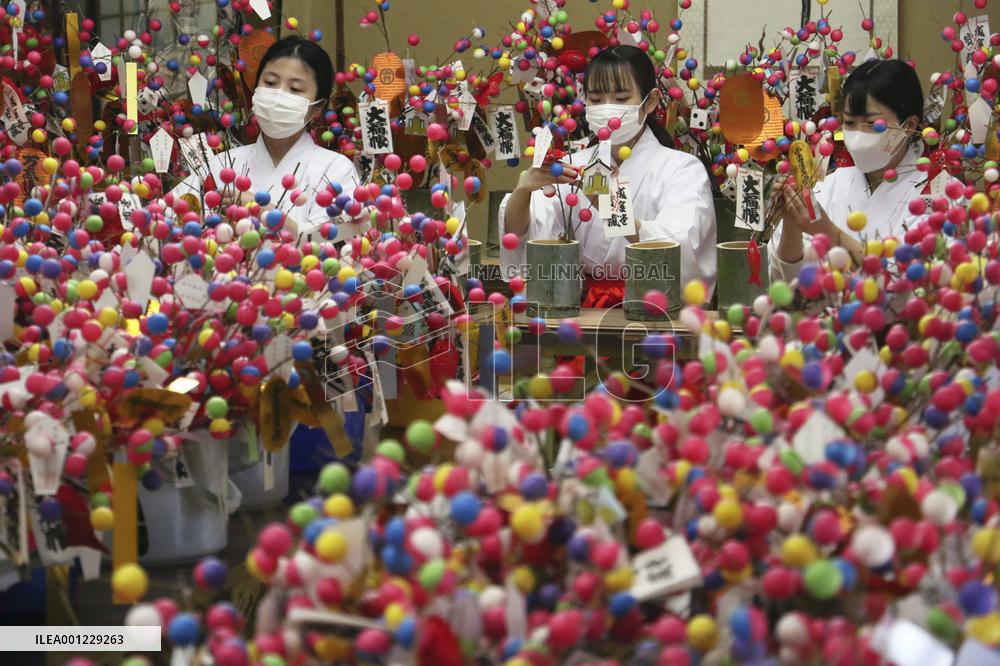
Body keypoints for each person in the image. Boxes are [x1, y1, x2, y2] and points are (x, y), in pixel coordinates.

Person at [499, 45, 717, 306]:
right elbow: (523, 233)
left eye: (622, 98)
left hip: (654, 307)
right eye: (596, 99)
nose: (607, 109)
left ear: (651, 101)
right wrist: (523, 190)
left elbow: (680, 247)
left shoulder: (682, 169)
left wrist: (611, 209)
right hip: (583, 308)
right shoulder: (572, 165)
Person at [172, 35, 358, 241]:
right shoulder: (223, 165)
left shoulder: (335, 170)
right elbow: (169, 219)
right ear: (255, 91)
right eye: (270, 82)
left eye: (295, 89)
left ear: (317, 108)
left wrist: (267, 214)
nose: (278, 95)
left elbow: (340, 242)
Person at [772, 59, 931, 280]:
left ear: (909, 125)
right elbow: (785, 282)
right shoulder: (829, 185)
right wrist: (792, 223)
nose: (857, 135)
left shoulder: (936, 193)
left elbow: (911, 282)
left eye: (871, 123)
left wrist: (828, 233)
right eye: (849, 123)